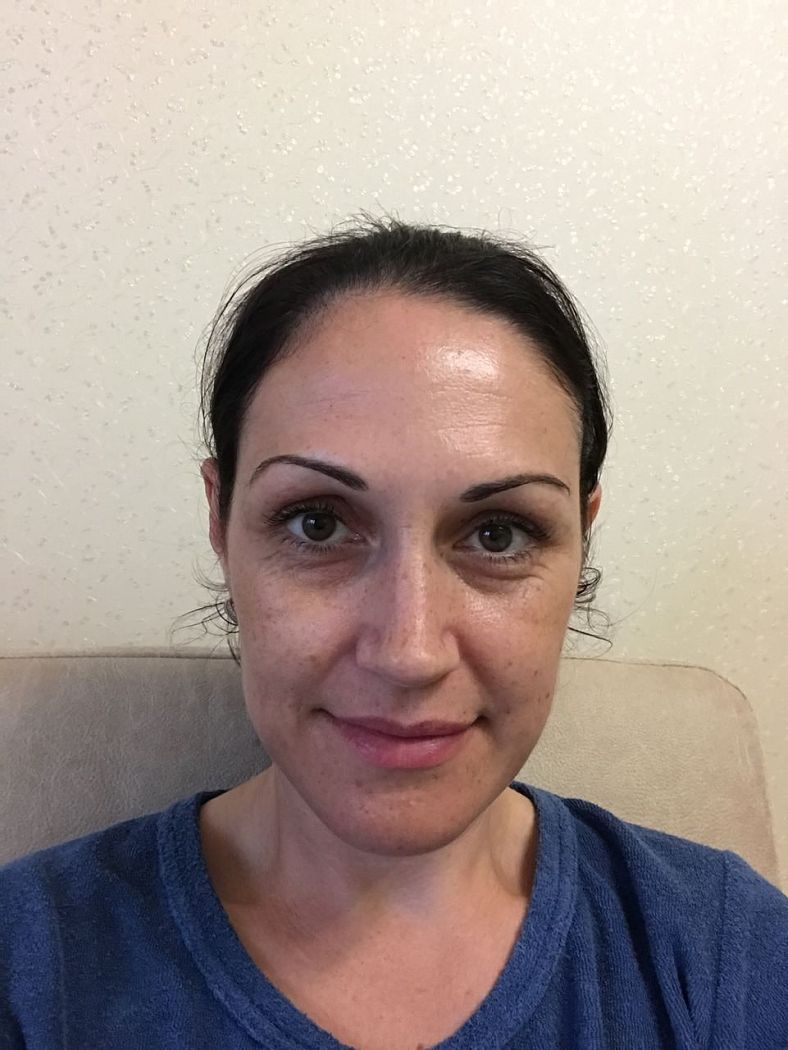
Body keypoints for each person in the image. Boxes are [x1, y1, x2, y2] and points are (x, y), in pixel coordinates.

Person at [1, 216, 786, 1050]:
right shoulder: (30, 966)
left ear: (581, 539)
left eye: (498, 535)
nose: (409, 653)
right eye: (316, 523)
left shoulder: (726, 955)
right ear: (220, 521)